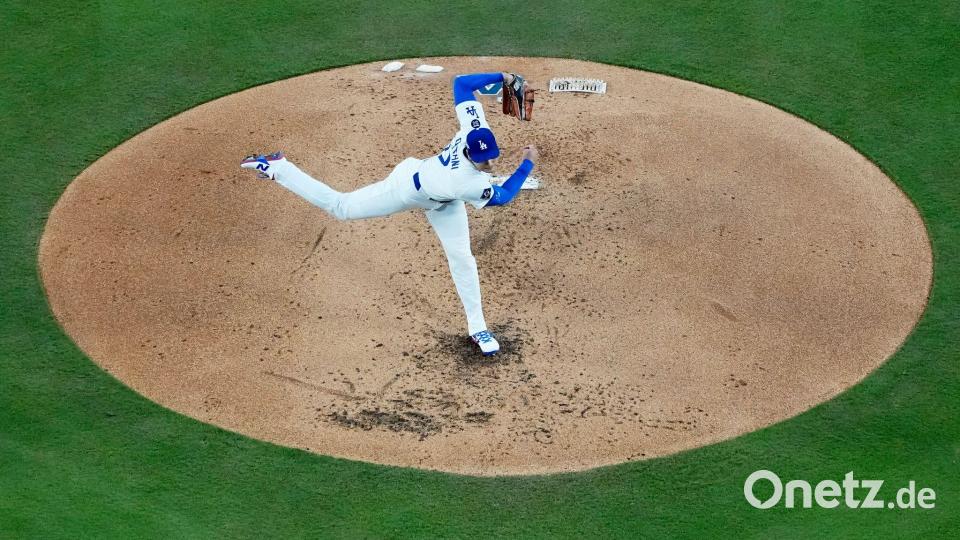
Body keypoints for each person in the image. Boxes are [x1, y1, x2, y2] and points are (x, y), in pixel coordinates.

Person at [241, 72, 537, 356]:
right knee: (342, 208)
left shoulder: (474, 128)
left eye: (490, 159)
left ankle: (478, 328)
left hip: (444, 201)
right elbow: (504, 197)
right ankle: (278, 168)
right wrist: (527, 164)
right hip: (406, 188)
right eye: (484, 162)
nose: (488, 165)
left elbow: (462, 84)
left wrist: (503, 76)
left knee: (462, 257)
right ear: (472, 155)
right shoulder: (467, 182)